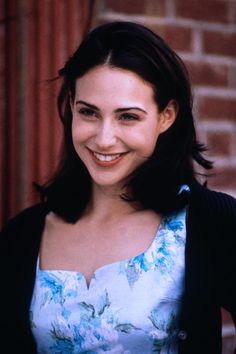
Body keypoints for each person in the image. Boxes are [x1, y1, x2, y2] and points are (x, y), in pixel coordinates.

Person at [0, 21, 235, 354]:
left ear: (166, 116)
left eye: (128, 117)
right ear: (71, 107)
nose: (104, 138)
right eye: (89, 113)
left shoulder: (213, 224)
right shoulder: (21, 235)